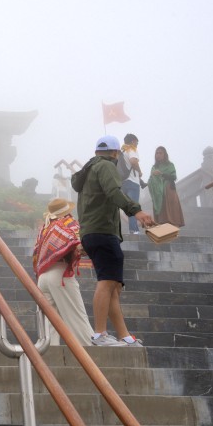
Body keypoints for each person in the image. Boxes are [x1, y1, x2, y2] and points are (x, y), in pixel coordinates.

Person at [76, 135, 155, 346]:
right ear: (115, 153)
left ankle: (124, 335)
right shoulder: (106, 166)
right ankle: (99, 334)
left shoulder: (90, 170)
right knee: (108, 282)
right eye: (118, 154)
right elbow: (113, 192)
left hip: (92, 232)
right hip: (103, 231)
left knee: (113, 285)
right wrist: (135, 210)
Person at [32, 197, 94, 347]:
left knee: (49, 326)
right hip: (60, 274)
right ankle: (90, 353)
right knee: (76, 317)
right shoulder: (67, 223)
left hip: (43, 277)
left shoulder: (45, 228)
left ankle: (49, 356)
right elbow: (79, 243)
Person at [147, 146, 185, 227]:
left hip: (168, 190)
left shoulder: (170, 165)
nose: (158, 155)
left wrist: (161, 174)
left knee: (172, 211)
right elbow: (151, 180)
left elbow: (173, 177)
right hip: (157, 194)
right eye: (157, 153)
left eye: (160, 153)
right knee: (161, 214)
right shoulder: (154, 167)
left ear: (165, 154)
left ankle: (173, 228)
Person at [121, 133, 143, 234]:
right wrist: (139, 171)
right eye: (137, 142)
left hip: (123, 183)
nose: (137, 144)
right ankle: (134, 230)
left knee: (128, 207)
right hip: (132, 182)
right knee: (134, 207)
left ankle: (132, 229)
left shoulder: (122, 151)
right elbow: (133, 161)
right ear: (133, 141)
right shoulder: (131, 149)